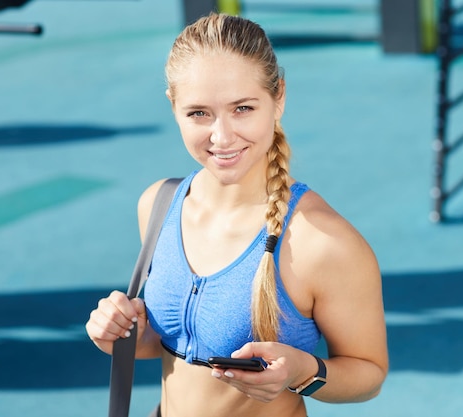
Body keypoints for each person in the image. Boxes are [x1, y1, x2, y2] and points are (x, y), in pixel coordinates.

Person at [85, 12, 388, 417]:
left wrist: (303, 370)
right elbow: (172, 345)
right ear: (173, 106)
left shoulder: (323, 242)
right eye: (199, 113)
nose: (223, 137)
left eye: (243, 108)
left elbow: (368, 373)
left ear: (278, 97)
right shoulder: (158, 205)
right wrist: (121, 335)